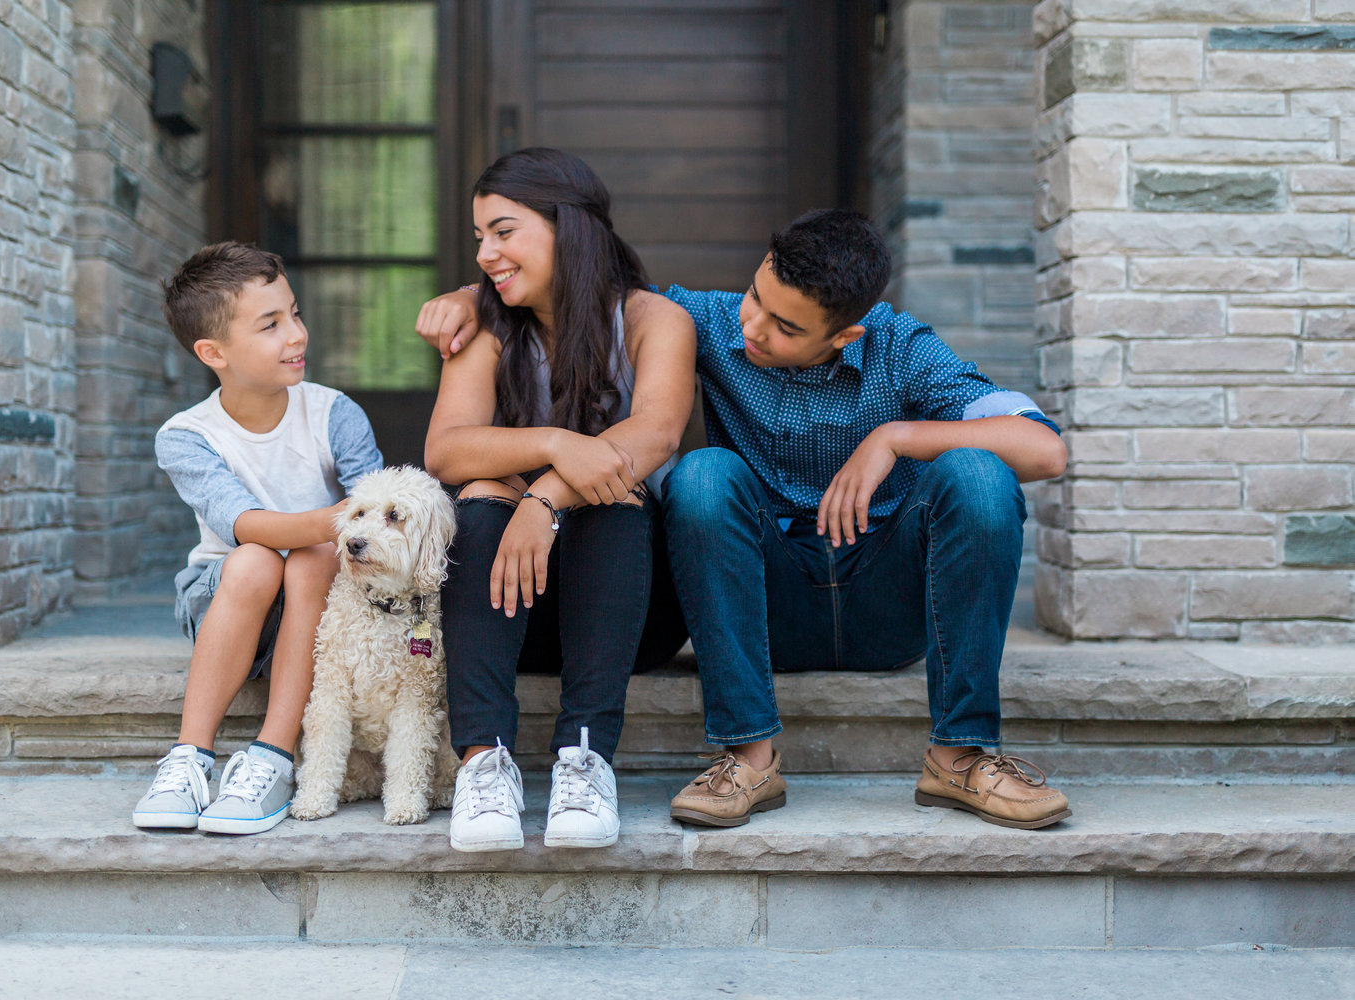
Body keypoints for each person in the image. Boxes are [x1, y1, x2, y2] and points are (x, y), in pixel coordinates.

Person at [416, 209, 1072, 831]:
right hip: (766, 605)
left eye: (787, 327)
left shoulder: (903, 350)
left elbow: (1044, 449)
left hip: (886, 602)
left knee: (980, 474)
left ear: (846, 333)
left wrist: (897, 437)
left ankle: (960, 758)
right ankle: (748, 759)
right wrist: (473, 296)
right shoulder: (707, 321)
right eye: (757, 298)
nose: (754, 328)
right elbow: (587, 290)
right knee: (703, 476)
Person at [424, 147, 695, 852]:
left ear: (567, 227)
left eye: (503, 231)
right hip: (506, 611)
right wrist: (553, 442)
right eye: (479, 237)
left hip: (625, 615)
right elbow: (447, 451)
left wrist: (544, 496)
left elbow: (657, 432)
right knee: (480, 491)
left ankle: (584, 759)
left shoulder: (652, 319)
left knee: (613, 491)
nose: (486, 253)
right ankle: (482, 767)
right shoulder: (483, 327)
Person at [135, 242, 381, 835]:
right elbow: (243, 524)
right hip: (226, 597)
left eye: (294, 313)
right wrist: (343, 519)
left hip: (323, 605)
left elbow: (379, 517)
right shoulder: (187, 436)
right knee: (254, 560)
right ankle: (190, 757)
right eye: (270, 325)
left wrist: (346, 527)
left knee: (312, 558)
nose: (295, 334)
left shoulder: (333, 412)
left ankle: (271, 757)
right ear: (212, 352)